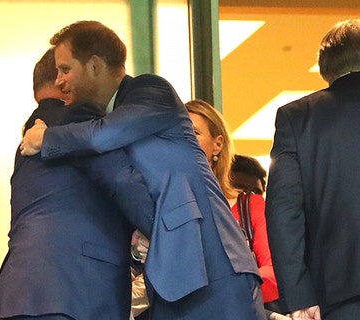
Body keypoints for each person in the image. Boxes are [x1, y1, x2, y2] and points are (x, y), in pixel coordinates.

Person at [21, 21, 265, 319]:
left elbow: (102, 136)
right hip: (168, 281)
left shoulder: (150, 90)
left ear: (95, 66)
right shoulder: (109, 115)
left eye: (65, 69)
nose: (58, 81)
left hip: (212, 266)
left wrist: (46, 138)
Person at [0, 47, 154, 320]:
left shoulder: (33, 135)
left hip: (21, 294)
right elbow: (120, 178)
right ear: (63, 80)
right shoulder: (79, 121)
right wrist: (166, 231)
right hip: (74, 292)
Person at [265, 19, 360, 320]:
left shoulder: (296, 118)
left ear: (325, 69)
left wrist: (298, 293)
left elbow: (283, 211)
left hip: (335, 290)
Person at [185, 99, 284, 319]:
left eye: (193, 133)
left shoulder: (250, 206)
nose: (183, 140)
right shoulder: (160, 204)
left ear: (217, 144)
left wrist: (223, 287)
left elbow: (272, 270)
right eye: (176, 133)